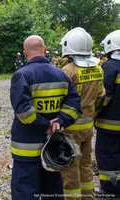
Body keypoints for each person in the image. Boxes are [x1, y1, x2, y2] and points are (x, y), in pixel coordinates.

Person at [10, 35, 81, 200]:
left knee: (25, 190)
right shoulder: (61, 74)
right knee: (52, 188)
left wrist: (45, 124)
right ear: (45, 50)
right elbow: (75, 104)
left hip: (27, 146)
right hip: (54, 145)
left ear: (25, 53)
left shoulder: (21, 75)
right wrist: (60, 121)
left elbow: (24, 112)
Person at [60, 27, 105, 200]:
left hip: (70, 128)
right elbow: (101, 96)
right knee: (86, 165)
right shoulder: (98, 69)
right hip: (88, 128)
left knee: (70, 168)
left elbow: (61, 98)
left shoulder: (68, 71)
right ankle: (88, 196)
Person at [95, 30, 120, 198]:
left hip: (109, 126)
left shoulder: (108, 68)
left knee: (108, 158)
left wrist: (94, 112)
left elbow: (103, 97)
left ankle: (110, 190)